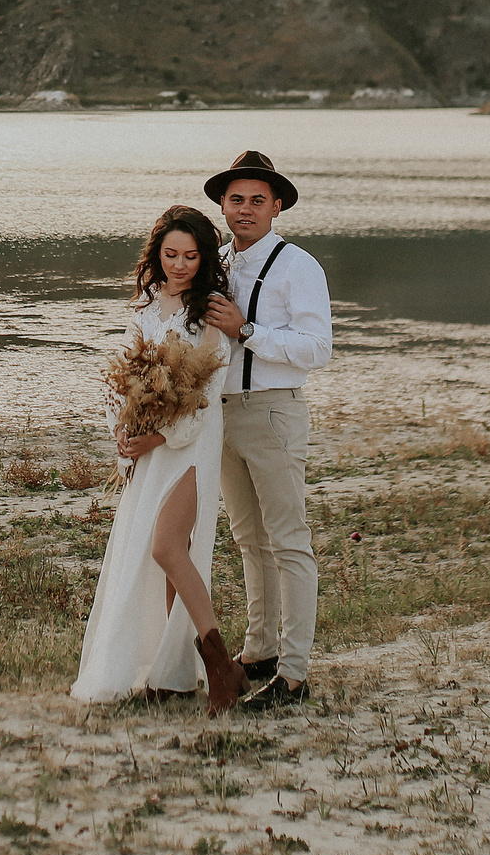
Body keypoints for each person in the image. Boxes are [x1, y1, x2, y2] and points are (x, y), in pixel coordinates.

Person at [70, 204, 249, 712]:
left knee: (168, 548)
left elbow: (207, 389)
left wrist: (161, 437)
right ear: (157, 255)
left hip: (190, 443)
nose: (180, 264)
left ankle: (222, 665)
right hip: (147, 444)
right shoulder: (147, 305)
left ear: (205, 257)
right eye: (171, 254)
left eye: (191, 255)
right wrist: (124, 431)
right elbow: (123, 375)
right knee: (169, 561)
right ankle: (175, 674)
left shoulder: (212, 307)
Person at [202, 150, 330, 710]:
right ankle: (260, 651)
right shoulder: (219, 262)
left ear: (277, 205)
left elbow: (317, 348)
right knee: (248, 539)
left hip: (274, 410)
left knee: (289, 541)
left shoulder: (298, 266)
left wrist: (248, 329)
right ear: (223, 206)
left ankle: (296, 673)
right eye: (237, 199)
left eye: (258, 199)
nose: (246, 208)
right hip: (222, 415)